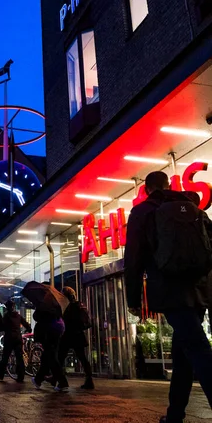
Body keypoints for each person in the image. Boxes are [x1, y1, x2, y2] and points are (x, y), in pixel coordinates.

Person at [124, 170, 212, 423]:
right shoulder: (193, 208)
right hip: (199, 289)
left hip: (169, 289)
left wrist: (133, 301)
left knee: (197, 348)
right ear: (167, 185)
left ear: (147, 188)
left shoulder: (142, 212)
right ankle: (175, 415)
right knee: (184, 353)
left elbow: (133, 260)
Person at [47, 287, 94, 390]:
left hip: (68, 336)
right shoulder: (79, 305)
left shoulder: (66, 306)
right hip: (78, 335)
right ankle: (89, 380)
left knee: (60, 358)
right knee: (82, 358)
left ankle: (58, 379)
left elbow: (64, 320)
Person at [31, 300, 69, 392]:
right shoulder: (56, 303)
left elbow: (37, 316)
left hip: (49, 331)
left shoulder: (44, 304)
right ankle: (38, 380)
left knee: (51, 357)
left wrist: (37, 307)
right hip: (58, 329)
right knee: (47, 356)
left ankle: (63, 383)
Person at [0, 300, 31, 383]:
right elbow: (27, 325)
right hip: (18, 338)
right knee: (19, 358)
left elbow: (2, 326)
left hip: (9, 339)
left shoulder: (6, 316)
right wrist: (28, 330)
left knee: (5, 356)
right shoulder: (18, 316)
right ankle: (21, 376)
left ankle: (0, 374)